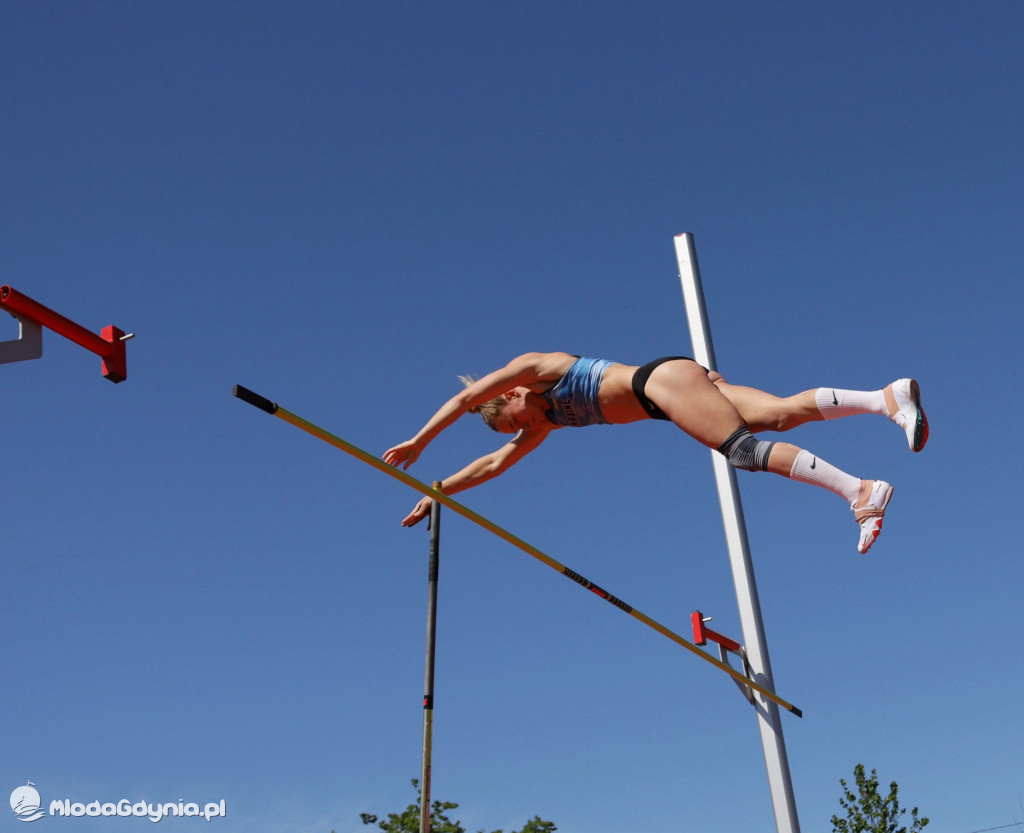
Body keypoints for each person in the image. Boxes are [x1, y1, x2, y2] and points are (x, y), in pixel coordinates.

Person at [383, 352, 928, 554]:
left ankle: (860, 492)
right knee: (781, 413)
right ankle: (885, 399)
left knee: (740, 452)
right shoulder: (544, 422)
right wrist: (438, 492)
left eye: (516, 419)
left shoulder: (536, 370)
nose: (525, 426)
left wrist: (419, 441)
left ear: (511, 396)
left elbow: (461, 398)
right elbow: (494, 464)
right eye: (518, 427)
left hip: (659, 385)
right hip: (671, 389)